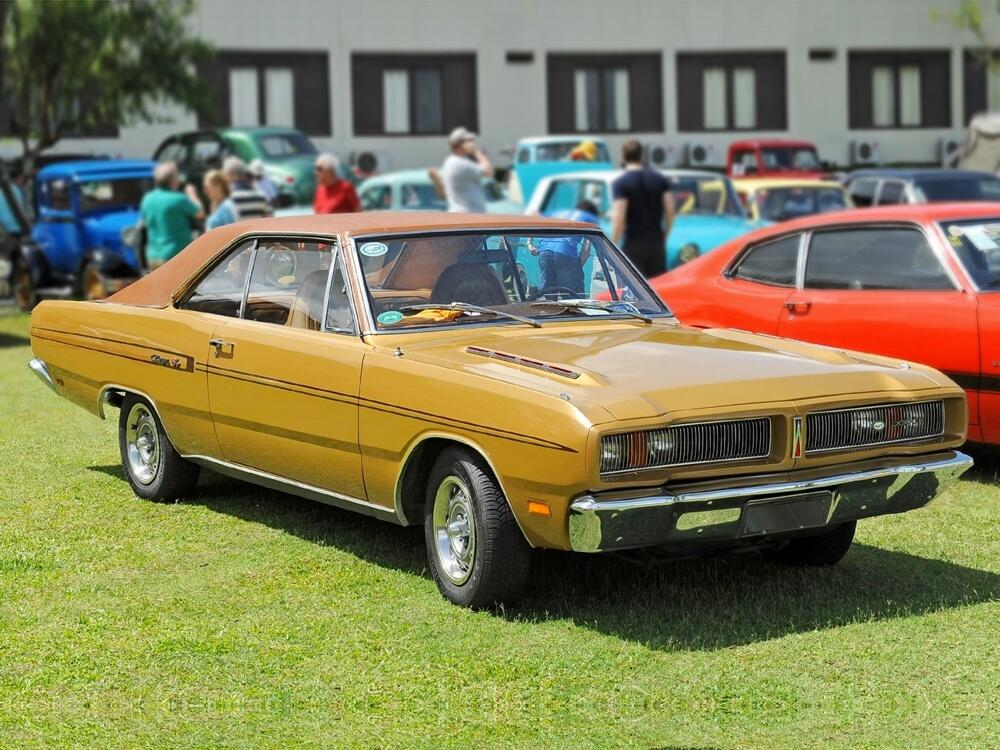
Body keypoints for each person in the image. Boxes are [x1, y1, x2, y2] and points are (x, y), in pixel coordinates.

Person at [611, 139, 675, 278]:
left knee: (636, 291)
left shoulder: (621, 183)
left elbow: (619, 219)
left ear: (623, 157)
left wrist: (613, 244)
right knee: (658, 289)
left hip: (634, 244)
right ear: (641, 156)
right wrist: (664, 236)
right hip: (656, 243)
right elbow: (670, 212)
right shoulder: (660, 180)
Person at [140, 161, 204, 269]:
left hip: (153, 256)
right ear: (173, 180)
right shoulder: (179, 199)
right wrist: (192, 195)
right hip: (175, 256)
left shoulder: (147, 199)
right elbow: (200, 213)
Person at [529, 200, 600, 295]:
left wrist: (529, 244)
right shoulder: (590, 218)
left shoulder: (557, 213)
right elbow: (586, 248)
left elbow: (534, 218)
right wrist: (577, 267)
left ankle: (546, 308)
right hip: (565, 252)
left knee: (547, 293)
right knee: (571, 294)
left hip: (544, 252)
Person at [439, 126, 493, 213]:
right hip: (469, 215)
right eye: (469, 141)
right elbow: (489, 172)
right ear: (459, 145)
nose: (472, 144)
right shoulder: (460, 163)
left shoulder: (452, 161)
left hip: (464, 214)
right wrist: (476, 151)